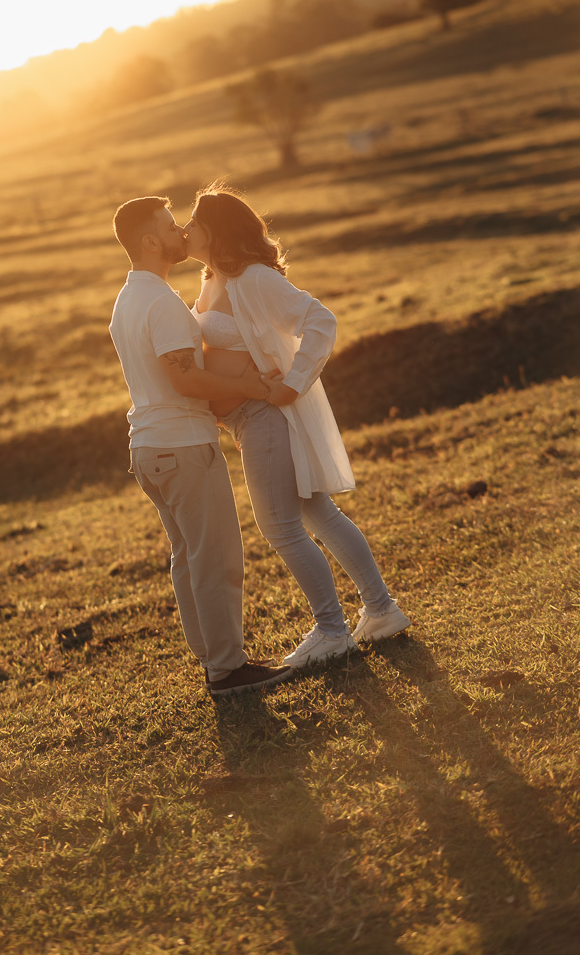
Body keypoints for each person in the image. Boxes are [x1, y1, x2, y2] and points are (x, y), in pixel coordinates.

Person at [185, 183, 411, 668]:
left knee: (282, 527)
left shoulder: (253, 278)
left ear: (214, 231)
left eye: (192, 224)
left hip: (265, 414)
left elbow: (320, 320)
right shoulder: (212, 279)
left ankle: (332, 630)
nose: (185, 231)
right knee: (318, 514)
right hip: (245, 418)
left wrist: (292, 384)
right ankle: (381, 610)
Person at [109, 195, 293, 696]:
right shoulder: (161, 302)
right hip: (183, 446)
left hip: (149, 448)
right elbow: (186, 379)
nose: (181, 233)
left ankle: (213, 659)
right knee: (214, 559)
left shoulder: (128, 299)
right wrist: (254, 387)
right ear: (150, 242)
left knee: (188, 557)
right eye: (171, 227)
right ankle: (227, 670)